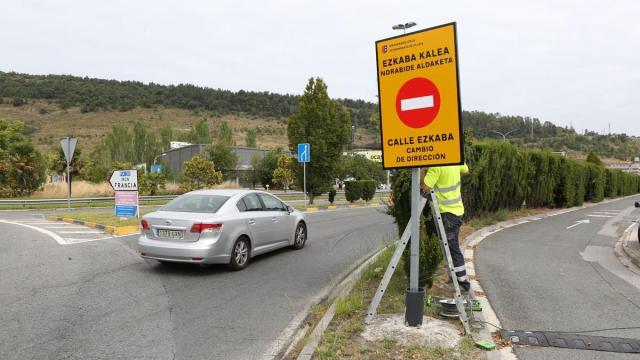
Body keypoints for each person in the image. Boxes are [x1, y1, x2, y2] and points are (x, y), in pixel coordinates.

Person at [421, 164, 471, 296]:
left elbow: (425, 188)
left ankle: (462, 283)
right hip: (457, 211)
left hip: (447, 213)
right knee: (450, 247)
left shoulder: (436, 167)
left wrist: (422, 171)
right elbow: (466, 170)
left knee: (452, 247)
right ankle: (454, 279)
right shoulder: (455, 160)